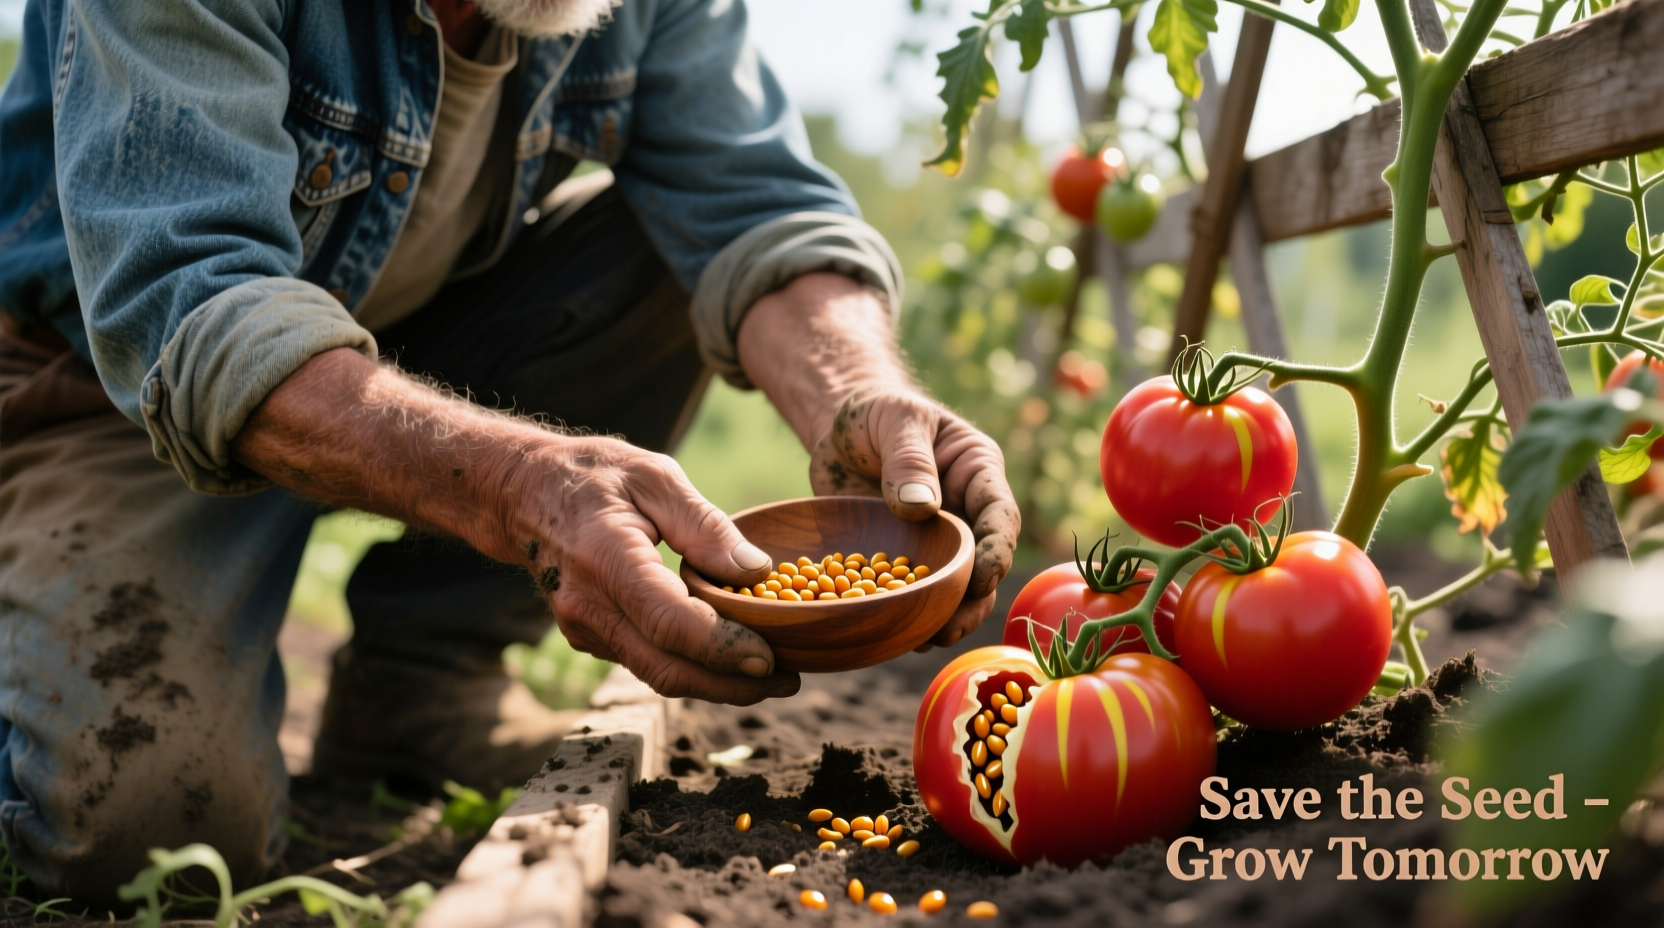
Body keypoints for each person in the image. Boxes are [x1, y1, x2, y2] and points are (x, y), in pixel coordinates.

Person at [0, 0, 1019, 902]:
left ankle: (419, 680)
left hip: (417, 336)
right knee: (141, 830)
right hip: (120, 387)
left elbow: (757, 206)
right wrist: (520, 480)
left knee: (670, 251)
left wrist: (860, 393)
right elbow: (192, 305)